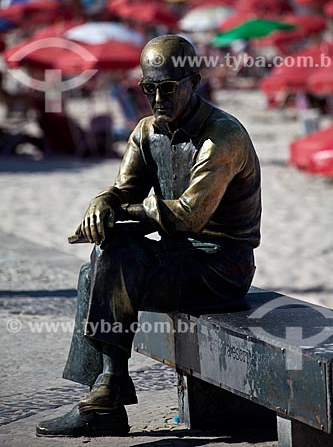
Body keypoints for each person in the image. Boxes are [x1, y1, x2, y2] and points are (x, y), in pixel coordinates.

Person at [36, 35, 261, 437]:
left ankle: (107, 394)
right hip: (177, 258)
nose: (157, 98)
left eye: (168, 88)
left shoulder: (222, 137)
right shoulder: (146, 132)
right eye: (148, 88)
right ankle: (106, 389)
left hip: (221, 266)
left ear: (195, 82)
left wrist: (123, 213)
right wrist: (102, 203)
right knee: (97, 269)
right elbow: (124, 190)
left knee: (111, 263)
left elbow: (191, 217)